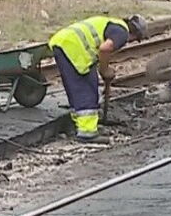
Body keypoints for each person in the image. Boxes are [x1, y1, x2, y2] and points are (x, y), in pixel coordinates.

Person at [49, 14, 148, 144]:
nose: (131, 42)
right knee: (86, 89)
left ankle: (78, 126)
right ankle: (87, 133)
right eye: (135, 39)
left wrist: (103, 69)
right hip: (73, 48)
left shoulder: (112, 23)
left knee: (75, 88)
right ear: (135, 33)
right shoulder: (122, 33)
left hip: (62, 43)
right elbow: (105, 48)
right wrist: (104, 71)